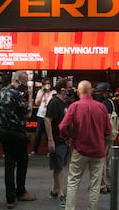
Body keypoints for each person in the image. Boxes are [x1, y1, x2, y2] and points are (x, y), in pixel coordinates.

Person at [59, 80, 112, 210]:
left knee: (73, 182)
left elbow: (62, 126)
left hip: (79, 149)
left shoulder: (74, 106)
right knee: (95, 185)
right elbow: (108, 130)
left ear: (78, 92)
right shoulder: (101, 107)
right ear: (92, 91)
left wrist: (67, 138)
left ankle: (70, 208)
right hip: (98, 150)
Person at [0, 70, 36, 209]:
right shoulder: (15, 94)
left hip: (4, 132)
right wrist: (30, 98)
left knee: (9, 164)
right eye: (24, 82)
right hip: (16, 133)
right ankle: (20, 192)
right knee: (22, 162)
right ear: (18, 80)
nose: (25, 85)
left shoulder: (2, 91)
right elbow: (28, 114)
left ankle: (10, 198)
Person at [44, 78, 72, 207]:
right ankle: (61, 192)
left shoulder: (64, 102)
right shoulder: (54, 102)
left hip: (64, 139)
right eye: (69, 88)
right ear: (63, 89)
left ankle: (55, 190)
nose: (71, 90)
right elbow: (48, 120)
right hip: (57, 138)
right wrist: (50, 139)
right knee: (59, 167)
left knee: (59, 166)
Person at [94, 82, 119, 194]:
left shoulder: (104, 104)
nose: (97, 93)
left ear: (105, 92)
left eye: (99, 91)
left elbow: (104, 121)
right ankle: (108, 184)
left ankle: (102, 185)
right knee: (108, 160)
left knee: (101, 161)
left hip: (104, 135)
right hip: (111, 135)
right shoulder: (112, 102)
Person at [30, 77, 56, 155]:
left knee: (49, 133)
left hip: (50, 115)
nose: (47, 85)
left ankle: (50, 150)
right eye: (46, 84)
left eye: (49, 84)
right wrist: (42, 92)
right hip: (41, 114)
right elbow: (37, 102)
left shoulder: (54, 92)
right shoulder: (40, 92)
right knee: (38, 133)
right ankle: (35, 150)